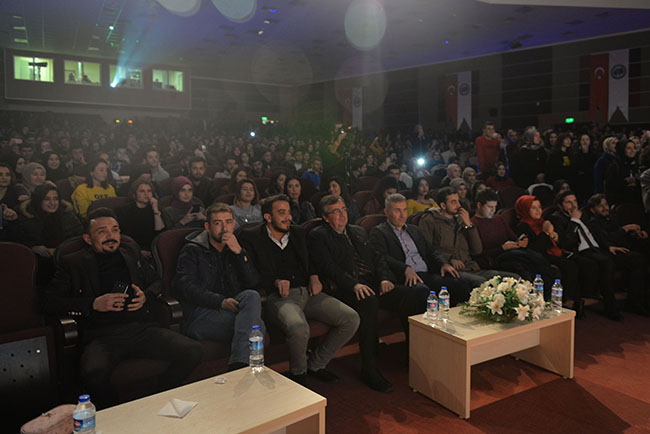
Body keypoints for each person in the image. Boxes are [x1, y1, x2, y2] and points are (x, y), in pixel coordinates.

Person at [42, 207, 203, 409]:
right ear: (88, 239)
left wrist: (146, 296)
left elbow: (157, 282)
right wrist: (93, 303)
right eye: (102, 232)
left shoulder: (130, 252)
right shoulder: (72, 262)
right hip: (102, 335)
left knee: (193, 350)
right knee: (92, 373)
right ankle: (117, 413)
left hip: (140, 329)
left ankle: (155, 398)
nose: (111, 236)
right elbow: (48, 302)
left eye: (115, 230)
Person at [309, 195, 427, 393]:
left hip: (372, 282)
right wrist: (354, 285)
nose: (342, 215)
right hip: (345, 288)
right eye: (336, 211)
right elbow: (329, 268)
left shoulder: (357, 230)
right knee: (368, 301)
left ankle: (413, 354)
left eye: (344, 209)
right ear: (325, 217)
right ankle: (369, 368)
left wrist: (384, 279)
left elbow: (378, 258)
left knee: (415, 294)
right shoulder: (318, 236)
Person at [239, 195, 359, 386]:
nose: (288, 217)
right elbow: (250, 274)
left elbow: (311, 260)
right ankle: (299, 375)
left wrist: (314, 276)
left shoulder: (298, 232)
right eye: (281, 213)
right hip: (278, 297)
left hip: (307, 292)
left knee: (350, 318)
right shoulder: (252, 237)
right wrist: (275, 281)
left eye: (288, 212)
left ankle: (316, 364)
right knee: (299, 328)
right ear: (268, 217)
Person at [174, 203, 265, 371]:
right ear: (207, 226)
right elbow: (185, 287)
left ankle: (239, 364)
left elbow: (253, 282)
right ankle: (241, 366)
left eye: (228, 222)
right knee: (258, 330)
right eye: (218, 223)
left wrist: (239, 253)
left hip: (231, 309)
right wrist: (220, 301)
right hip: (201, 313)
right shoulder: (192, 250)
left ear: (234, 224)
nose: (224, 228)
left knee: (252, 295)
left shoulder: (235, 247)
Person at [370, 193, 472, 306]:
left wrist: (443, 264)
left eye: (404, 210)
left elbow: (431, 251)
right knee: (422, 292)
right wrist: (405, 268)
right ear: (387, 212)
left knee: (459, 284)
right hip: (405, 277)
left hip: (426, 273)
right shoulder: (379, 232)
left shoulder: (414, 230)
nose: (402, 215)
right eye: (397, 211)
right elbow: (382, 257)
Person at [418, 187, 519, 288]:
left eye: (458, 201)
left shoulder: (461, 220)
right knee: (482, 283)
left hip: (470, 267)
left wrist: (469, 225)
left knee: (514, 278)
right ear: (443, 205)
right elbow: (427, 250)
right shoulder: (430, 220)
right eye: (453, 202)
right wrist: (448, 261)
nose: (458, 205)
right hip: (450, 270)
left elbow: (477, 250)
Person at [548, 191, 622, 320]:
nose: (573, 205)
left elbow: (595, 233)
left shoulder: (583, 215)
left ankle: (615, 301)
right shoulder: (557, 218)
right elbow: (566, 242)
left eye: (575, 201)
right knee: (604, 262)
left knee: (619, 258)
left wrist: (608, 246)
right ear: (560, 205)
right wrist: (574, 221)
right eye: (568, 202)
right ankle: (610, 305)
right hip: (580, 250)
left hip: (596, 248)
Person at [513, 195, 585, 317]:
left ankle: (576, 301)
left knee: (580, 262)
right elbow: (534, 248)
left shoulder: (543, 222)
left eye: (539, 207)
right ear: (525, 209)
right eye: (533, 208)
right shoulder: (523, 226)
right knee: (569, 266)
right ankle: (567, 302)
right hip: (539, 257)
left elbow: (559, 241)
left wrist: (553, 235)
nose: (538, 211)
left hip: (554, 253)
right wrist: (546, 232)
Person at [583, 194, 650, 315]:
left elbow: (620, 236)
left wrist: (635, 233)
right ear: (593, 210)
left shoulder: (611, 219)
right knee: (638, 259)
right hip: (606, 254)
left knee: (642, 255)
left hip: (620, 250)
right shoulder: (593, 223)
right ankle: (634, 302)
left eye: (606, 204)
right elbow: (606, 240)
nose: (605, 208)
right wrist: (625, 229)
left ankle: (640, 300)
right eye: (600, 206)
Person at [115, 178, 165, 255]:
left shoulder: (157, 209)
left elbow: (160, 233)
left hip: (153, 249)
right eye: (142, 191)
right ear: (134, 194)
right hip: (132, 249)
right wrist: (138, 251)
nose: (146, 194)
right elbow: (124, 236)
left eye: (149, 191)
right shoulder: (123, 211)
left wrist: (155, 210)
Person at [605, 139, 641, 205]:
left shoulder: (637, 165)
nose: (632, 151)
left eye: (634, 148)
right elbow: (610, 186)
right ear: (622, 150)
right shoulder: (615, 166)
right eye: (629, 148)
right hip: (620, 203)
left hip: (636, 202)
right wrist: (625, 181)